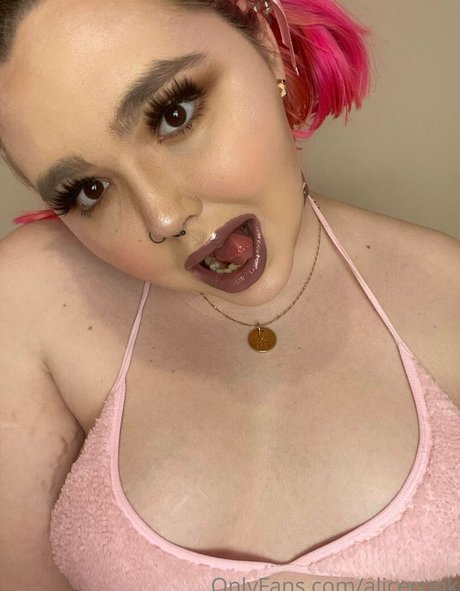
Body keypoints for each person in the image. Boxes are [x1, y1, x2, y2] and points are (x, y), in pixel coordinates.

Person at [0, 0, 459, 590]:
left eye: (174, 115)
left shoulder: (446, 295)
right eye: (88, 189)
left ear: (266, 42)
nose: (164, 217)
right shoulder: (30, 298)